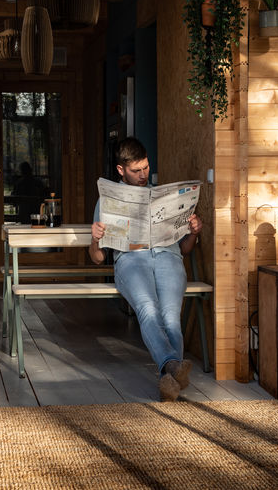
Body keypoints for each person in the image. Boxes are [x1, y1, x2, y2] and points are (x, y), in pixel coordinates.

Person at [89, 138, 203, 401]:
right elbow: (97, 258)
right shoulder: (107, 201)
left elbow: (185, 249)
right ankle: (173, 366)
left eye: (146, 168)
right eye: (136, 171)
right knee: (148, 309)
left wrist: (194, 232)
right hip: (131, 260)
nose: (143, 176)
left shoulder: (162, 198)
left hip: (168, 256)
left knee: (171, 315)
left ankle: (168, 377)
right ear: (121, 170)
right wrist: (95, 238)